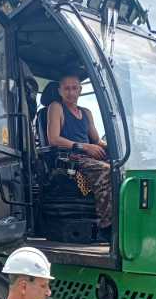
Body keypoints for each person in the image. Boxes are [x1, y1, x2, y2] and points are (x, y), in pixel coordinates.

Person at [46, 73, 112, 242]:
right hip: (70, 157)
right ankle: (106, 227)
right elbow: (53, 139)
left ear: (80, 90)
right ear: (60, 91)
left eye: (74, 88)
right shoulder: (56, 107)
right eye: (66, 88)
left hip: (89, 156)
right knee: (105, 171)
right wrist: (84, 146)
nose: (71, 92)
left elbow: (97, 140)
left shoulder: (86, 113)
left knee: (120, 167)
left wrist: (113, 148)